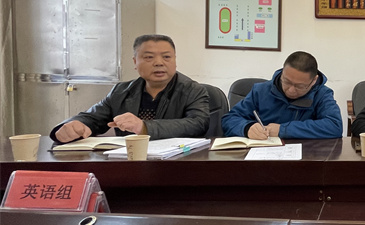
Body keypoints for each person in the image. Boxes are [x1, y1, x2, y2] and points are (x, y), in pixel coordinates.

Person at [51, 34, 209, 142]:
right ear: (135, 62)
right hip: (129, 161)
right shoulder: (121, 91)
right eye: (149, 57)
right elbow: (92, 117)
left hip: (176, 162)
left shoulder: (192, 90)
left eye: (166, 57)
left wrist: (144, 127)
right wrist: (75, 125)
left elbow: (198, 124)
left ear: (175, 60)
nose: (159, 63)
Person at [222, 51, 342, 139]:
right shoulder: (260, 91)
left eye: (300, 86)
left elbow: (334, 126)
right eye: (287, 82)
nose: (291, 90)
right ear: (282, 72)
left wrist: (283, 130)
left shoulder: (322, 94)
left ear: (314, 80)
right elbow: (229, 119)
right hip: (262, 155)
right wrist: (246, 128)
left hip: (306, 156)